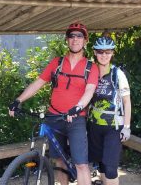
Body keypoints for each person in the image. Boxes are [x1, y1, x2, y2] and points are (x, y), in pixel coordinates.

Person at [9, 22, 99, 185]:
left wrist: (77, 108)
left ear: (85, 41)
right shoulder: (57, 63)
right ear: (67, 39)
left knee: (81, 164)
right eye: (71, 36)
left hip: (76, 119)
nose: (75, 39)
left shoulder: (90, 67)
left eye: (79, 36)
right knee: (59, 162)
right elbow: (38, 83)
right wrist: (18, 100)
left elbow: (89, 91)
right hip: (54, 117)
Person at [87, 36, 131, 185]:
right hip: (94, 126)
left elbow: (127, 101)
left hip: (114, 127)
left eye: (108, 52)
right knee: (101, 166)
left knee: (111, 168)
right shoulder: (90, 71)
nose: (104, 55)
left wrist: (126, 127)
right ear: (95, 52)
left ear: (113, 53)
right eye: (100, 52)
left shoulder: (118, 74)